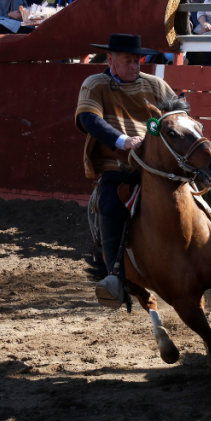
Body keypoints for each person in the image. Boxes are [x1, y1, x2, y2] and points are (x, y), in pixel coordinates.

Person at [73, 33, 177, 306]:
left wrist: (158, 136)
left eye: (137, 60)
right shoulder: (95, 84)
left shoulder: (156, 85)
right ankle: (115, 276)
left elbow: (177, 116)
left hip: (158, 164)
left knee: (198, 180)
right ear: (110, 60)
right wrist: (123, 141)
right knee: (110, 202)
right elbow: (88, 119)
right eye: (128, 61)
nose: (135, 66)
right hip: (118, 164)